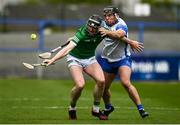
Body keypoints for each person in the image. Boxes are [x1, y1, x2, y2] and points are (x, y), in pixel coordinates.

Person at [43, 14, 108, 120]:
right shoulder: (82, 33)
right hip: (75, 59)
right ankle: (72, 107)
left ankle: (95, 109)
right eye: (89, 26)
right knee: (80, 85)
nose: (90, 29)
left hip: (90, 59)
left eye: (93, 27)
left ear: (98, 28)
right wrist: (52, 60)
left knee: (101, 81)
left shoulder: (103, 32)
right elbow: (67, 49)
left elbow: (117, 34)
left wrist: (130, 42)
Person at [98, 6, 149, 118]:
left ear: (116, 15)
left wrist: (106, 31)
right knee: (104, 88)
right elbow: (89, 28)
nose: (107, 18)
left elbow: (118, 35)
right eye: (105, 16)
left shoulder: (121, 24)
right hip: (108, 60)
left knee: (125, 82)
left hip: (122, 59)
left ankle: (141, 109)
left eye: (109, 15)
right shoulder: (102, 23)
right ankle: (108, 108)